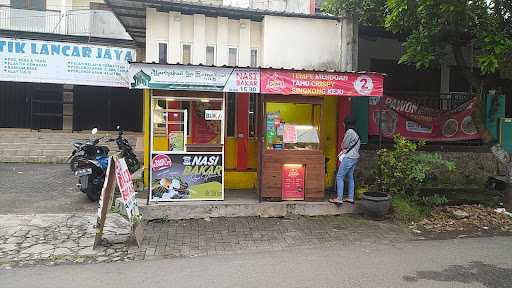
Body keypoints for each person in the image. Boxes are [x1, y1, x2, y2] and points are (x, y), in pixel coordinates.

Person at [330, 115, 360, 205]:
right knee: (350, 176)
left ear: (347, 123)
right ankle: (350, 197)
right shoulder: (356, 132)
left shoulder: (350, 132)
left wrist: (343, 148)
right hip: (355, 157)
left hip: (349, 157)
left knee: (340, 176)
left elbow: (344, 145)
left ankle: (339, 198)